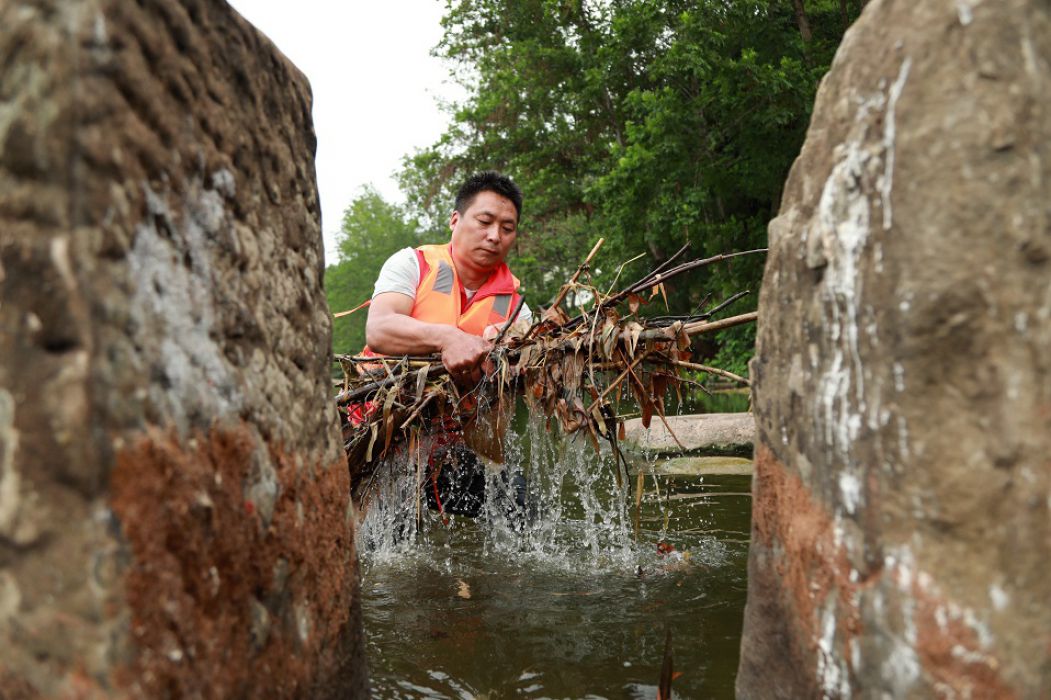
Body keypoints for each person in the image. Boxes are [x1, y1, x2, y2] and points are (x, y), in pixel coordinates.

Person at [361, 171, 532, 523]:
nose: (494, 235)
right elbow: (379, 328)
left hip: (448, 448)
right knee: (386, 534)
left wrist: (511, 354)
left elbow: (522, 371)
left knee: (522, 509)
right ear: (455, 220)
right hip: (380, 435)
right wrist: (449, 338)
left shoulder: (517, 306)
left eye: (507, 228)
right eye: (484, 221)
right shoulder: (414, 264)